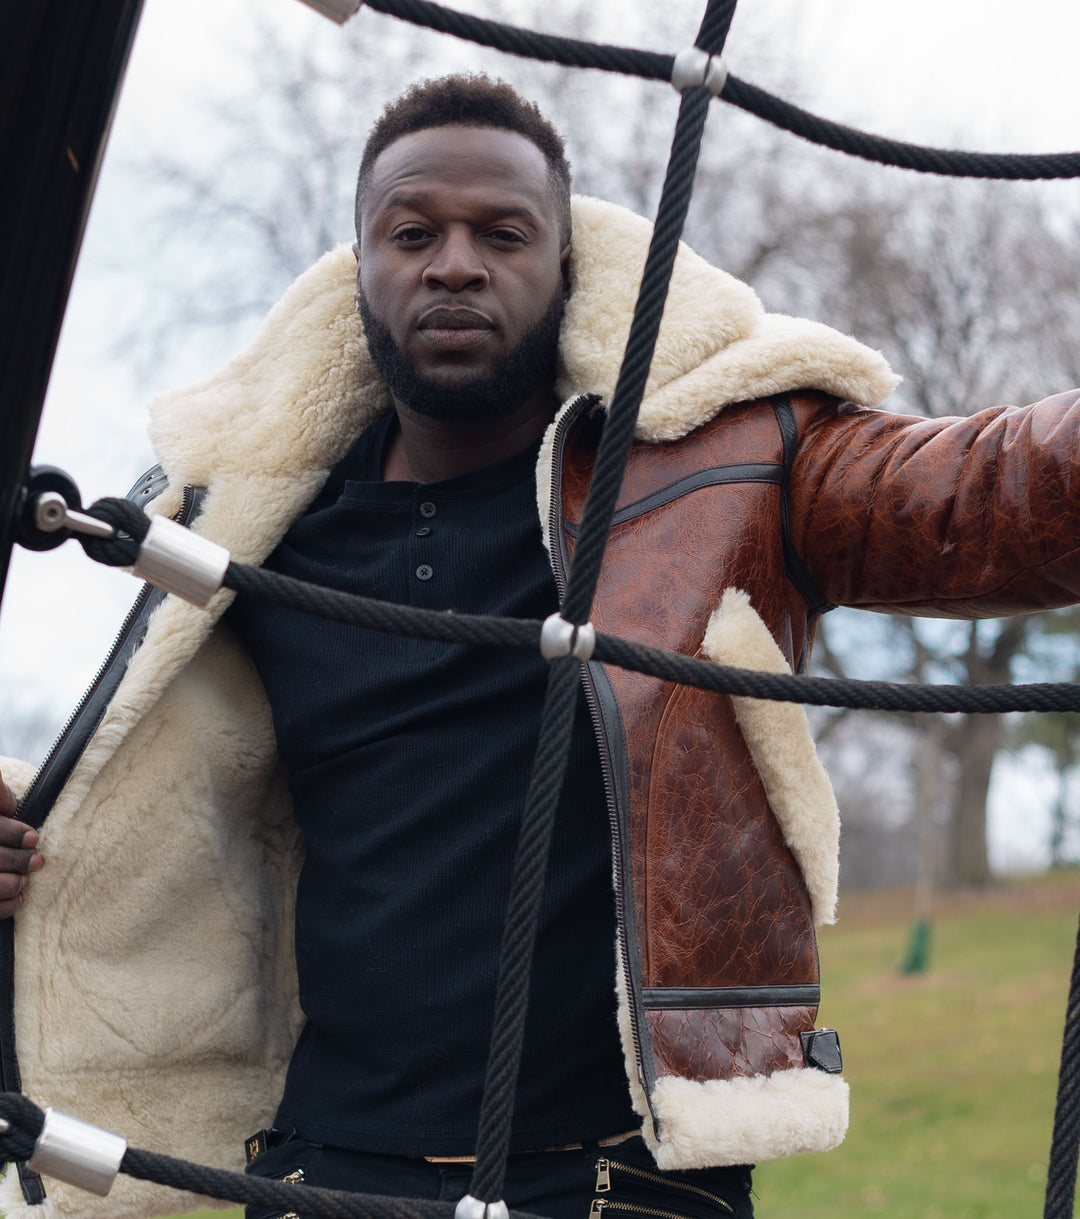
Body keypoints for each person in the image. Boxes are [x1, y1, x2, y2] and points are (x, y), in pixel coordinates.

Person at [1, 72, 1080, 1219]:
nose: (454, 262)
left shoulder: (720, 472)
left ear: (565, 269)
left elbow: (993, 495)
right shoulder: (244, 526)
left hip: (625, 1178)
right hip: (325, 1172)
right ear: (357, 268)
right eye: (412, 232)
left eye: (502, 233)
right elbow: (148, 796)